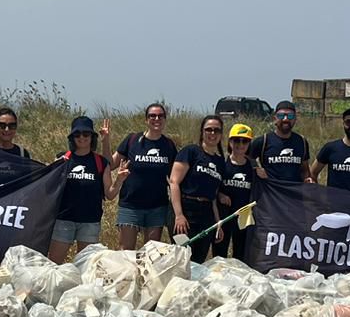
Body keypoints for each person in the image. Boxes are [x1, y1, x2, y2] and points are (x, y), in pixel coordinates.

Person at [49, 116, 119, 263]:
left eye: (86, 134)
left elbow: (110, 194)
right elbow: (49, 187)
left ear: (92, 137)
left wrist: (120, 180)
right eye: (77, 134)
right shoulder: (63, 159)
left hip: (90, 222)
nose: (82, 138)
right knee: (54, 264)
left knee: (86, 266)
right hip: (64, 220)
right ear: (72, 137)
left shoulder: (100, 162)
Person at [112, 103, 179, 249]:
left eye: (160, 116)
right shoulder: (132, 140)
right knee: (126, 253)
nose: (157, 119)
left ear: (165, 119)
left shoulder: (168, 145)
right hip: (130, 205)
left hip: (157, 207)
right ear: (146, 120)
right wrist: (105, 141)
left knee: (150, 255)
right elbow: (110, 164)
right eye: (152, 116)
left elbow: (177, 176)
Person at [169, 115, 228, 262]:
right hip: (185, 209)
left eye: (216, 130)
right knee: (181, 259)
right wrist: (179, 215)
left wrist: (218, 223)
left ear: (221, 134)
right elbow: (174, 182)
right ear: (202, 132)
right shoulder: (191, 151)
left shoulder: (220, 162)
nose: (212, 134)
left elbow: (213, 196)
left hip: (206, 214)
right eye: (209, 130)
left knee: (198, 260)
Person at [211, 123, 255, 264]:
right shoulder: (221, 163)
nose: (240, 145)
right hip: (224, 215)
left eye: (245, 141)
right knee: (220, 252)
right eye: (237, 140)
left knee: (240, 254)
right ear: (230, 142)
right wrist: (220, 195)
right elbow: (211, 187)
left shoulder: (253, 166)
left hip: (244, 216)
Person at [252, 100, 313, 183]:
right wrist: (256, 168)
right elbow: (246, 157)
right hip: (272, 192)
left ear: (295, 118)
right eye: (281, 116)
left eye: (290, 116)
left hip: (294, 193)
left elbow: (305, 170)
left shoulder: (301, 142)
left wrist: (308, 180)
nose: (285, 119)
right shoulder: (263, 141)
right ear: (275, 118)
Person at [0, 105, 32, 184]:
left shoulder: (22, 153)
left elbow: (29, 182)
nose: (7, 130)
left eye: (11, 126)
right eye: (2, 126)